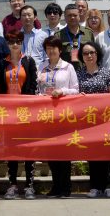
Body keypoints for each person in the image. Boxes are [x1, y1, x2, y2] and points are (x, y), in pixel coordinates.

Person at [38, 35, 79, 197]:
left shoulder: (68, 67)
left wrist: (62, 91)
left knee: (63, 152)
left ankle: (66, 187)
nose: (50, 51)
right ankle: (55, 186)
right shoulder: (41, 66)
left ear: (59, 50)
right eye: (48, 48)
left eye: (53, 47)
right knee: (50, 152)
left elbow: (75, 88)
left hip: (63, 114)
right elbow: (37, 87)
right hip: (46, 115)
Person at [76, 42, 110, 199]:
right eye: (85, 53)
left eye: (92, 52)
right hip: (87, 121)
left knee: (107, 153)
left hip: (105, 120)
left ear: (97, 54)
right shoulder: (79, 74)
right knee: (92, 154)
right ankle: (95, 186)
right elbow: (74, 94)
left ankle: (108, 186)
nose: (89, 56)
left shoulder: (106, 73)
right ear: (81, 56)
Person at [1, 31, 38, 200]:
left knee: (28, 148)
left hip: (25, 112)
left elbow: (33, 85)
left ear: (22, 42)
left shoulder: (29, 61)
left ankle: (29, 185)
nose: (14, 44)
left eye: (17, 41)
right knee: (12, 149)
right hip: (8, 113)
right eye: (11, 41)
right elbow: (1, 88)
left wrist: (27, 105)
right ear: (7, 43)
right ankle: (13, 184)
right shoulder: (3, 63)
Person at [58, 3, 94, 71]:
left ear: (79, 16)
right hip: (66, 72)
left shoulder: (88, 33)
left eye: (75, 15)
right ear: (65, 17)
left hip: (86, 72)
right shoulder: (58, 35)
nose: (72, 17)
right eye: (69, 15)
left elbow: (94, 53)